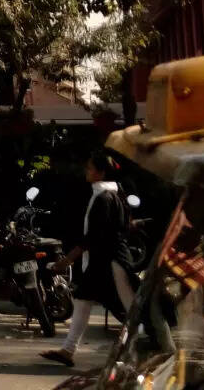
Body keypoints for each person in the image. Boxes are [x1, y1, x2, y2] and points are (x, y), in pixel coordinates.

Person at [41, 153, 137, 367]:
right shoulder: (115, 193)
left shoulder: (104, 197)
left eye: (89, 168)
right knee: (83, 300)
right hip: (102, 260)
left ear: (100, 173)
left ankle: (145, 350)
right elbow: (125, 226)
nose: (86, 171)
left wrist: (65, 262)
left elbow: (92, 237)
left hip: (112, 260)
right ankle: (68, 350)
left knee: (131, 308)